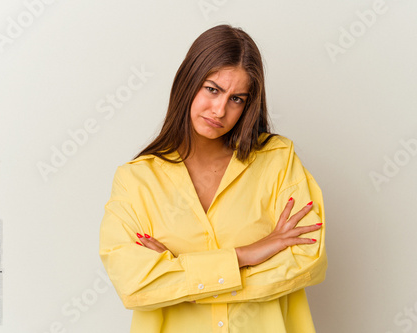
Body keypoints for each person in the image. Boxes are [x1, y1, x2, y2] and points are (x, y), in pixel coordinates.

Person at [99, 24, 328, 333]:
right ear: (188, 82)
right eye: (212, 89)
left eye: (237, 99)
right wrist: (245, 255)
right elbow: (133, 284)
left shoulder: (278, 160)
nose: (220, 110)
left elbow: (307, 258)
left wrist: (182, 279)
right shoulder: (136, 180)